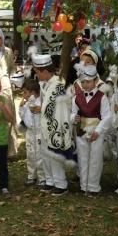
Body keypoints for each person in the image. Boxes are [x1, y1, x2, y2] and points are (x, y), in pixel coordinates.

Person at [33, 53, 75, 195]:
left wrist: (41, 109)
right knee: (46, 153)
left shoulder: (57, 84)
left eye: (37, 72)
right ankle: (50, 180)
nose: (36, 74)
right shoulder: (45, 84)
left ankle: (61, 183)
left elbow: (59, 105)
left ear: (44, 71)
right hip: (46, 125)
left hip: (56, 125)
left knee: (55, 155)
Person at [71, 64, 112, 196]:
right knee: (83, 158)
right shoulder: (76, 97)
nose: (85, 85)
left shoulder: (102, 97)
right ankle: (84, 185)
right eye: (83, 82)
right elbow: (72, 113)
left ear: (95, 81)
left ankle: (93, 186)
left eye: (88, 82)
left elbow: (107, 116)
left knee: (95, 158)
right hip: (81, 131)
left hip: (96, 132)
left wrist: (98, 131)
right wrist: (74, 118)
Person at [19, 77, 45, 186]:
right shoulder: (26, 104)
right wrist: (21, 108)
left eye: (25, 92)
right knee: (30, 154)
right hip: (30, 132)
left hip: (39, 132)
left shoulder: (41, 103)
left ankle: (42, 177)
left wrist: (40, 109)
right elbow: (24, 118)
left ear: (33, 93)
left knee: (39, 155)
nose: (23, 95)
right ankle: (31, 176)